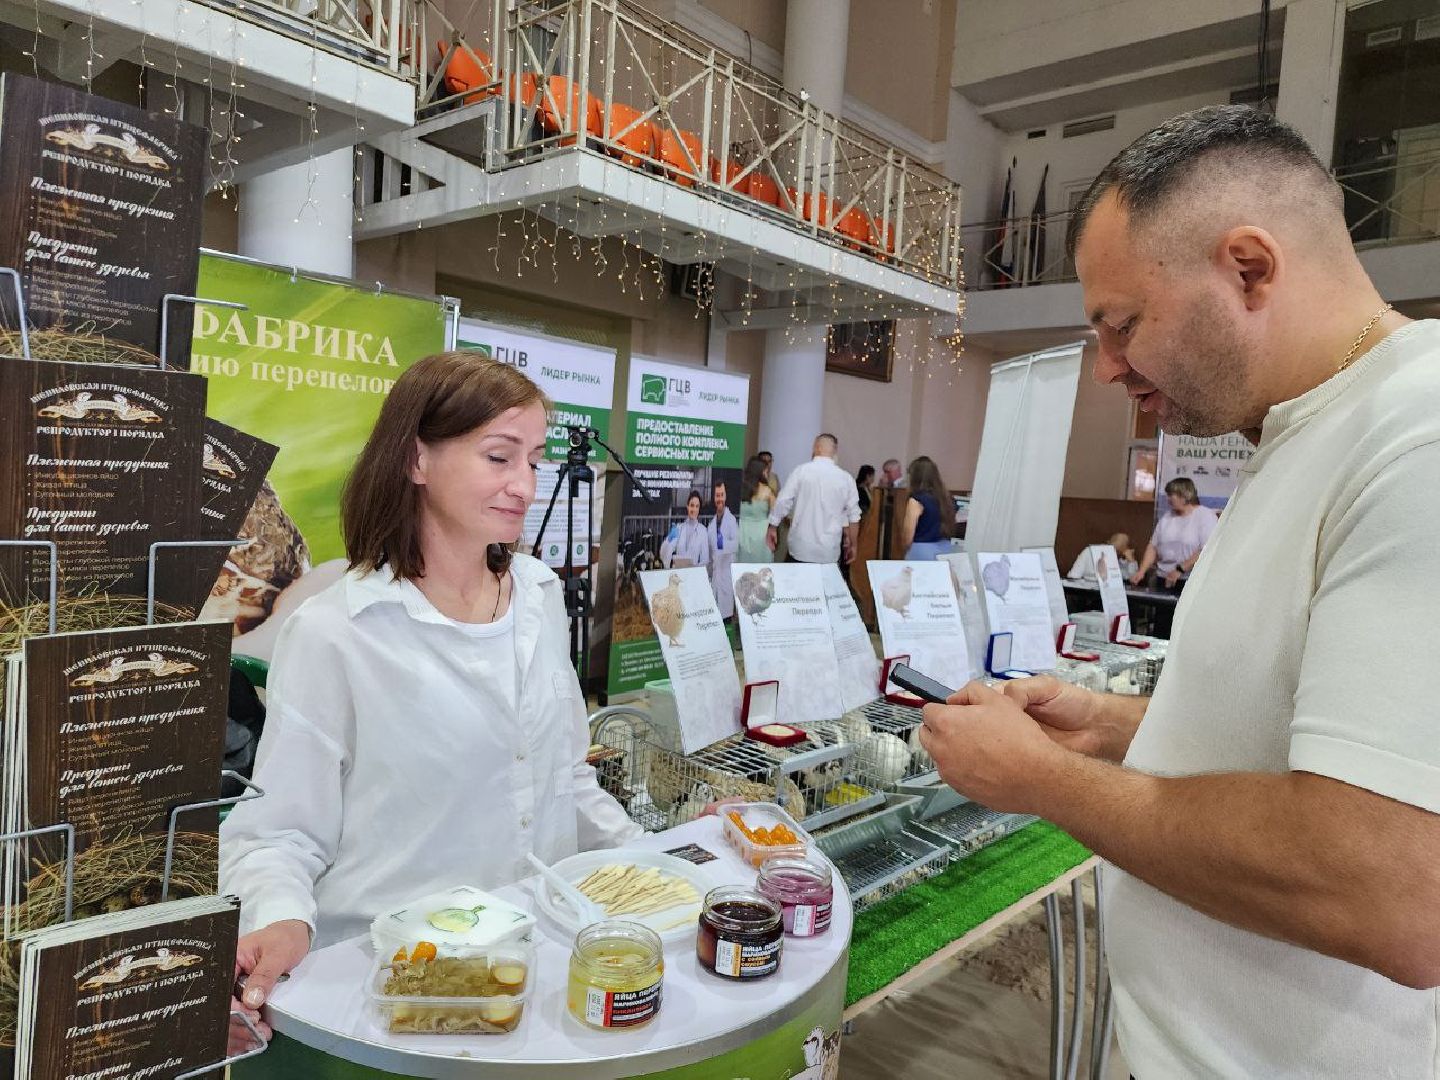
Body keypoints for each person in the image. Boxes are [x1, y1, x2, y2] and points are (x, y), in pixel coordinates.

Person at [916, 105, 1440, 1078]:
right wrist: (1110, 724)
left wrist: (1041, 781)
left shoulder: (1416, 443)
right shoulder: (1297, 435)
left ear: (1248, 268)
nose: (1110, 366)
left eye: (1124, 325)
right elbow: (1278, 722)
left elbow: (1390, 888)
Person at [219, 353, 642, 1049]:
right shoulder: (339, 632)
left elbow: (565, 778)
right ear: (417, 459)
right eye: (499, 457)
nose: (526, 486)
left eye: (533, 461)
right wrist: (281, 918)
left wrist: (662, 862)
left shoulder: (536, 597)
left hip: (528, 980)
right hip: (391, 993)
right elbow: (280, 831)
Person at [766, 434, 861, 564]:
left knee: (796, 584)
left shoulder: (801, 471)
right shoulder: (846, 478)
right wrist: (854, 545)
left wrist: (773, 526)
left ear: (816, 447)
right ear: (835, 451)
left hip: (801, 547)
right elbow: (854, 516)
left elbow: (783, 501)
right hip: (829, 550)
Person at [1130, 477, 1217, 590]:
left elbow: (1206, 549)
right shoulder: (1167, 517)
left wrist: (1180, 570)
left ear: (1185, 495)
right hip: (1162, 578)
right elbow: (1153, 546)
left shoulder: (1205, 516)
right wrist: (1141, 571)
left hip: (1189, 581)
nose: (1168, 499)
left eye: (1171, 495)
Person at [897, 455, 955, 560]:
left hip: (921, 551)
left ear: (914, 477)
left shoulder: (916, 500)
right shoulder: (947, 499)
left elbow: (907, 537)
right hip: (946, 550)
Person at [707, 479, 738, 617]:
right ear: (714, 498)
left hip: (726, 577)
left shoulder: (732, 521)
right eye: (717, 495)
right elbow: (709, 556)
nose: (719, 498)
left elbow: (737, 545)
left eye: (721, 495)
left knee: (726, 618)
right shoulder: (711, 525)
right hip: (714, 580)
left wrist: (723, 544)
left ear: (725, 496)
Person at [737, 456, 775, 564]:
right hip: (761, 535)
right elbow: (776, 513)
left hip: (742, 533)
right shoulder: (767, 491)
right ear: (761, 472)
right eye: (766, 471)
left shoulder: (739, 489)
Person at [661, 490, 709, 569]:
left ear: (699, 509)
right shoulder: (679, 528)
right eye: (692, 505)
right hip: (679, 574)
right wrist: (668, 539)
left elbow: (705, 560)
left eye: (697, 506)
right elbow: (663, 554)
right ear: (687, 506)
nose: (694, 509)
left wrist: (695, 570)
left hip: (694, 575)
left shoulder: (703, 531)